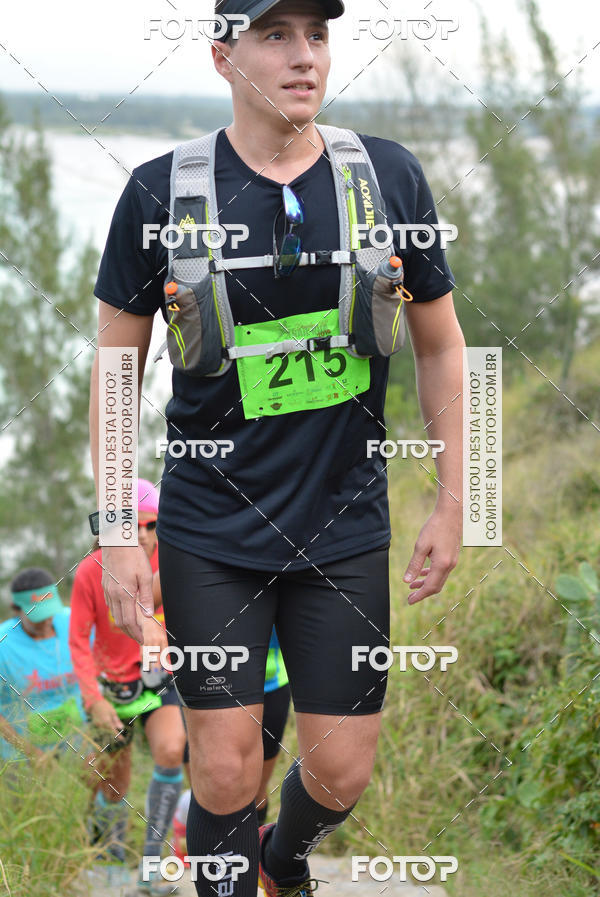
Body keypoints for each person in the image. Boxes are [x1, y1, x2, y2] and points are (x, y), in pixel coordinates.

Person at [90, 1, 464, 894]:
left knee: (341, 773)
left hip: (343, 527)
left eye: (318, 36)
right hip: (210, 529)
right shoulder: (158, 194)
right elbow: (114, 374)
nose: (305, 57)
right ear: (223, 56)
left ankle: (279, 859)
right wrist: (114, 529)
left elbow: (446, 345)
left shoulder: (390, 179)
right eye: (276, 36)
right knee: (224, 771)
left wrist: (460, 501)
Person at [69, 479, 186, 895]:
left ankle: (153, 866)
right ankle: (107, 853)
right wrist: (92, 698)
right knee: (113, 782)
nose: (142, 534)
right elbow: (77, 641)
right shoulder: (91, 570)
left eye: (151, 525)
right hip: (109, 688)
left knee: (172, 751)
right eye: (132, 524)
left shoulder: (174, 565)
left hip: (156, 678)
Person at [0, 568, 83, 763]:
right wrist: (30, 752)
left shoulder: (71, 621)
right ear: (16, 609)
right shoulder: (4, 644)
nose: (46, 620)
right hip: (21, 753)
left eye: (50, 612)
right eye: (37, 616)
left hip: (77, 739)